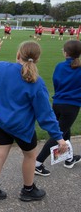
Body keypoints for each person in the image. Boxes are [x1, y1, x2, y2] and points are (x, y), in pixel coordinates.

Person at [0, 39, 68, 202]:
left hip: (0, 121)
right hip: (21, 127)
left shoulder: (4, 69)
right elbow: (46, 116)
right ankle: (28, 190)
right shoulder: (37, 83)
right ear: (37, 59)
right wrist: (60, 138)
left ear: (18, 55)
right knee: (30, 156)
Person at [34, 40, 81, 176]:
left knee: (65, 130)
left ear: (65, 53)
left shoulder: (60, 66)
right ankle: (37, 163)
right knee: (58, 134)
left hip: (58, 103)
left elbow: (56, 82)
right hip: (71, 106)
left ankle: (69, 158)